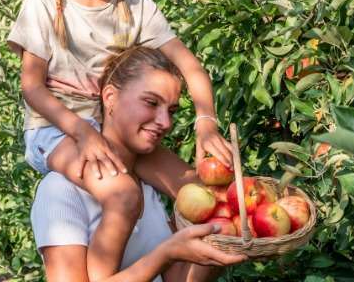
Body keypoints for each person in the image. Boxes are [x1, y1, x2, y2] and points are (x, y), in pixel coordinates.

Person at [6, 0, 234, 279]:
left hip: (113, 132)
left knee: (203, 195)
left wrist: (205, 121)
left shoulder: (137, 5)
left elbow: (191, 68)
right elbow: (32, 88)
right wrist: (82, 133)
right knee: (123, 194)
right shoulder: (43, 5)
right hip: (57, 131)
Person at [31, 46, 246, 281]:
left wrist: (225, 236)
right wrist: (165, 254)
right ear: (110, 97)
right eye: (151, 103)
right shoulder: (60, 191)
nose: (165, 122)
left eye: (172, 111)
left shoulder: (149, 183)